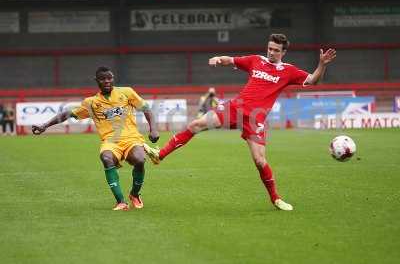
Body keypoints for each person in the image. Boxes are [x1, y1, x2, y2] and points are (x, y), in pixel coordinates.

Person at [144, 33, 336, 211]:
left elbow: (312, 81)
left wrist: (322, 64)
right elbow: (232, 60)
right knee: (196, 124)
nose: (271, 52)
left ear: (283, 52)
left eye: (276, 50)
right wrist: (219, 59)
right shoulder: (255, 60)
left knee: (260, 161)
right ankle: (160, 155)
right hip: (235, 109)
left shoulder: (289, 71)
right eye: (270, 48)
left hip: (255, 119)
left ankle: (275, 198)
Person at [32, 66, 159, 211]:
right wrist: (45, 125)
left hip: (132, 139)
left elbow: (146, 109)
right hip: (110, 142)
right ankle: (121, 202)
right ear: (96, 81)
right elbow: (68, 113)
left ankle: (135, 195)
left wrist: (153, 129)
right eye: (103, 79)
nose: (107, 81)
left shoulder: (126, 92)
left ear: (113, 78)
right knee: (106, 157)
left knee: (140, 159)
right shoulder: (91, 102)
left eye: (109, 78)